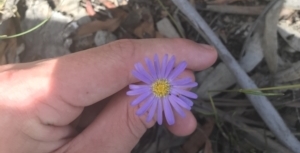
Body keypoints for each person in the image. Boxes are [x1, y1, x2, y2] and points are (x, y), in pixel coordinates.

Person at [0, 38, 217, 153]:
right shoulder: (150, 90)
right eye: (160, 87)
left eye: (162, 88)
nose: (161, 88)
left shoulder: (164, 85)